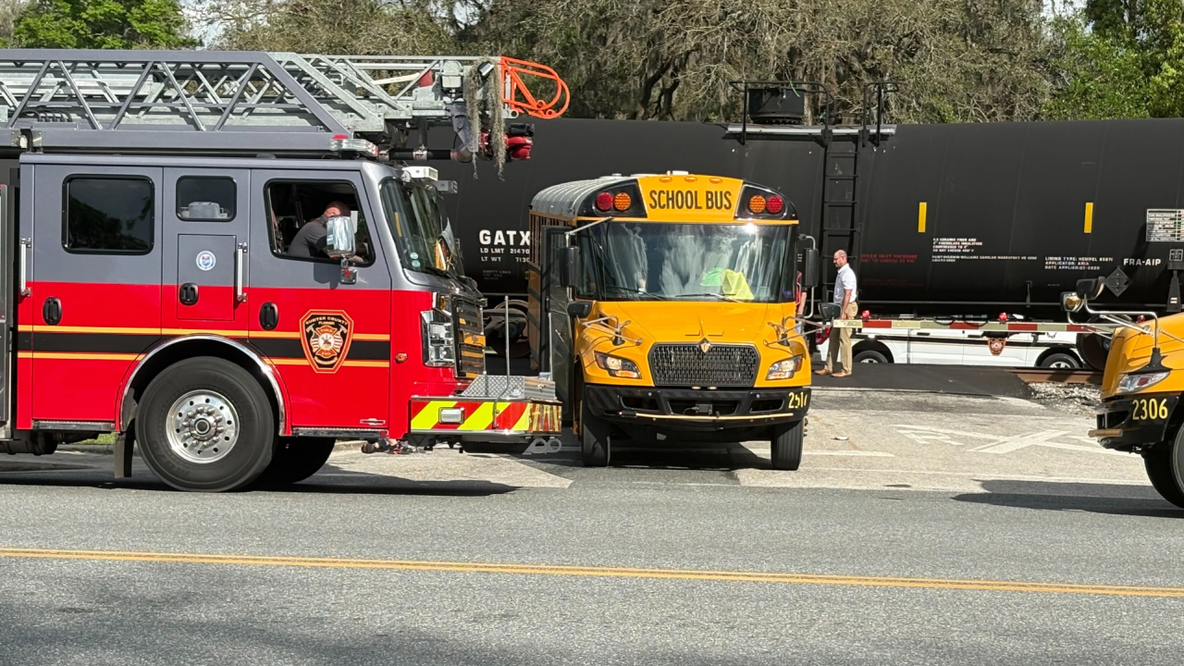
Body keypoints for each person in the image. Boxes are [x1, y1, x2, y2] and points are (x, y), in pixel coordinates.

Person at [816, 249, 858, 378]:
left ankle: (846, 369)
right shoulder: (841, 273)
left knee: (844, 339)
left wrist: (843, 311)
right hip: (840, 307)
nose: (834, 261)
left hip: (847, 308)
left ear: (843, 258)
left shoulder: (847, 274)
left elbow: (848, 293)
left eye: (836, 259)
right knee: (834, 337)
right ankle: (829, 367)